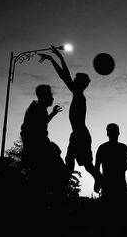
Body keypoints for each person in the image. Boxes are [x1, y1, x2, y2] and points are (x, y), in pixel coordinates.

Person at [38, 48, 102, 192]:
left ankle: (99, 180)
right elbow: (65, 76)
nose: (72, 80)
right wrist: (56, 58)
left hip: (81, 134)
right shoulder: (78, 94)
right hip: (78, 133)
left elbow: (64, 75)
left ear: (80, 83)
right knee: (72, 162)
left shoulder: (78, 94)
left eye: (75, 80)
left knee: (82, 165)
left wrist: (57, 57)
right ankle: (61, 186)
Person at [20, 84, 67, 211]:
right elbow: (27, 131)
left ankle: (46, 205)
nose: (52, 97)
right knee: (57, 176)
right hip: (39, 151)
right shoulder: (36, 109)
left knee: (43, 180)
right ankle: (56, 207)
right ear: (44, 96)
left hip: (39, 149)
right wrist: (43, 148)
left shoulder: (38, 108)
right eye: (50, 95)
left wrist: (52, 114)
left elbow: (40, 123)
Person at [95, 123, 127, 204]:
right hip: (114, 183)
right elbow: (97, 166)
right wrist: (97, 181)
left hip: (114, 183)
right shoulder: (123, 147)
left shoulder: (103, 147)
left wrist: (97, 181)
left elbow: (97, 166)